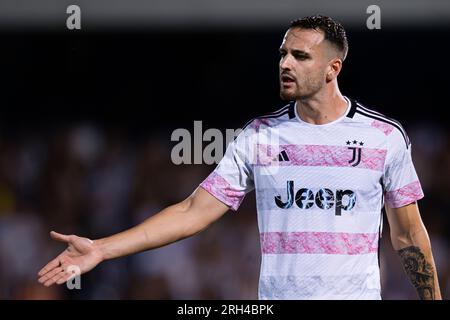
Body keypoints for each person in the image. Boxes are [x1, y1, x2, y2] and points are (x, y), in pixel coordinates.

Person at [37, 15, 441, 300]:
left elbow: (407, 235)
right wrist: (103, 249)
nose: (285, 63)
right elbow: (193, 210)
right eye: (283, 53)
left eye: (300, 56)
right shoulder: (258, 136)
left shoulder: (384, 137)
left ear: (333, 68)